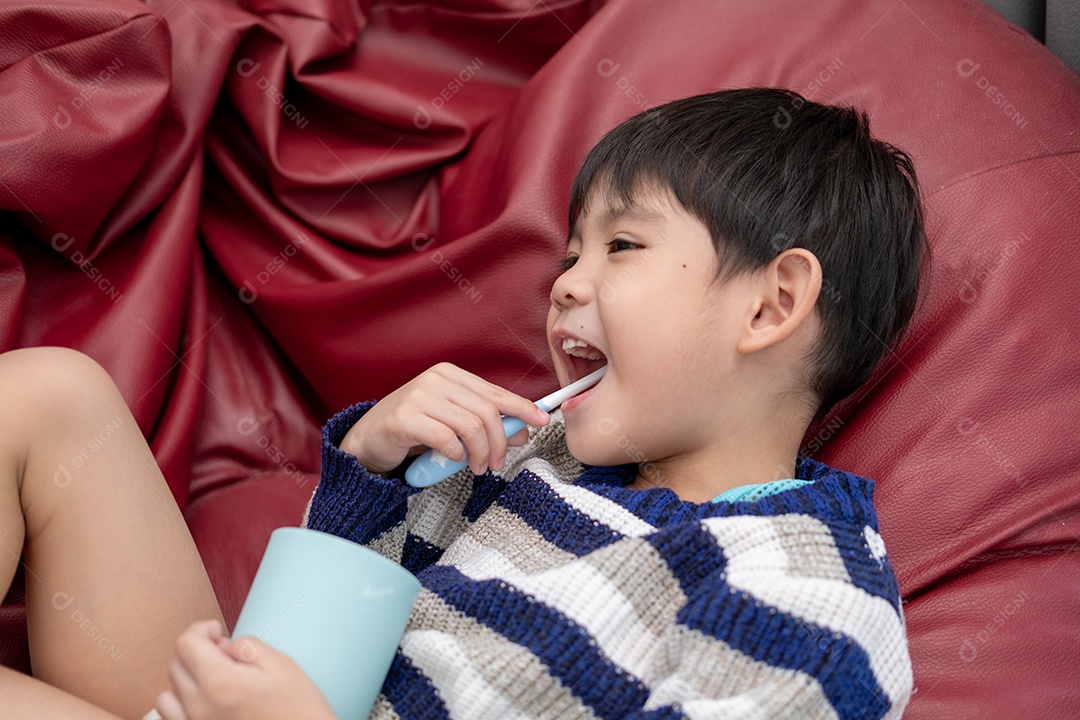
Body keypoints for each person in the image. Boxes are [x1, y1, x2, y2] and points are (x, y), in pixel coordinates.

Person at [0, 87, 926, 720]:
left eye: (623, 247)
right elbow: (328, 631)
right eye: (570, 254)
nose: (565, 284)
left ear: (771, 305)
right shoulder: (535, 457)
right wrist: (373, 470)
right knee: (53, 392)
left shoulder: (808, 599)